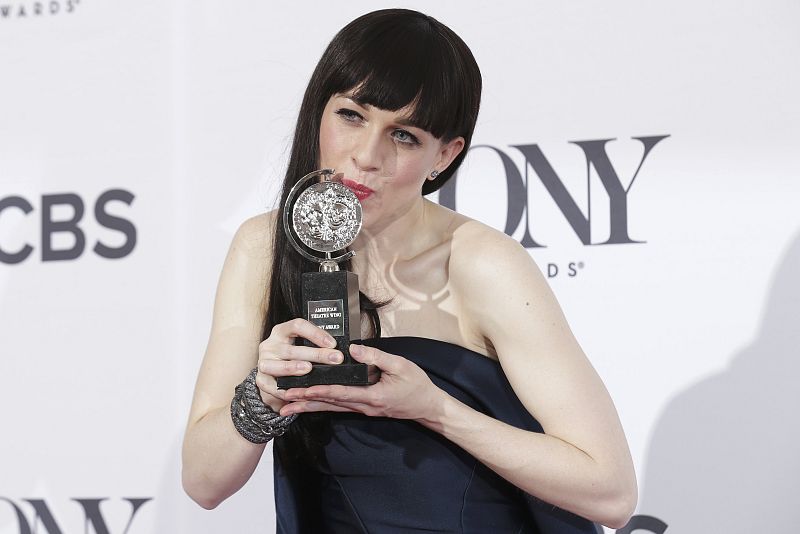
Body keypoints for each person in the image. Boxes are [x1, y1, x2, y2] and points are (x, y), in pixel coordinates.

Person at [182, 8, 637, 533]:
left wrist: (433, 409)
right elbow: (202, 482)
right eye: (351, 115)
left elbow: (611, 492)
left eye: (404, 136)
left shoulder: (482, 264)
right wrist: (261, 395)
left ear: (445, 155)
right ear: (318, 112)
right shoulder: (265, 248)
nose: (366, 157)